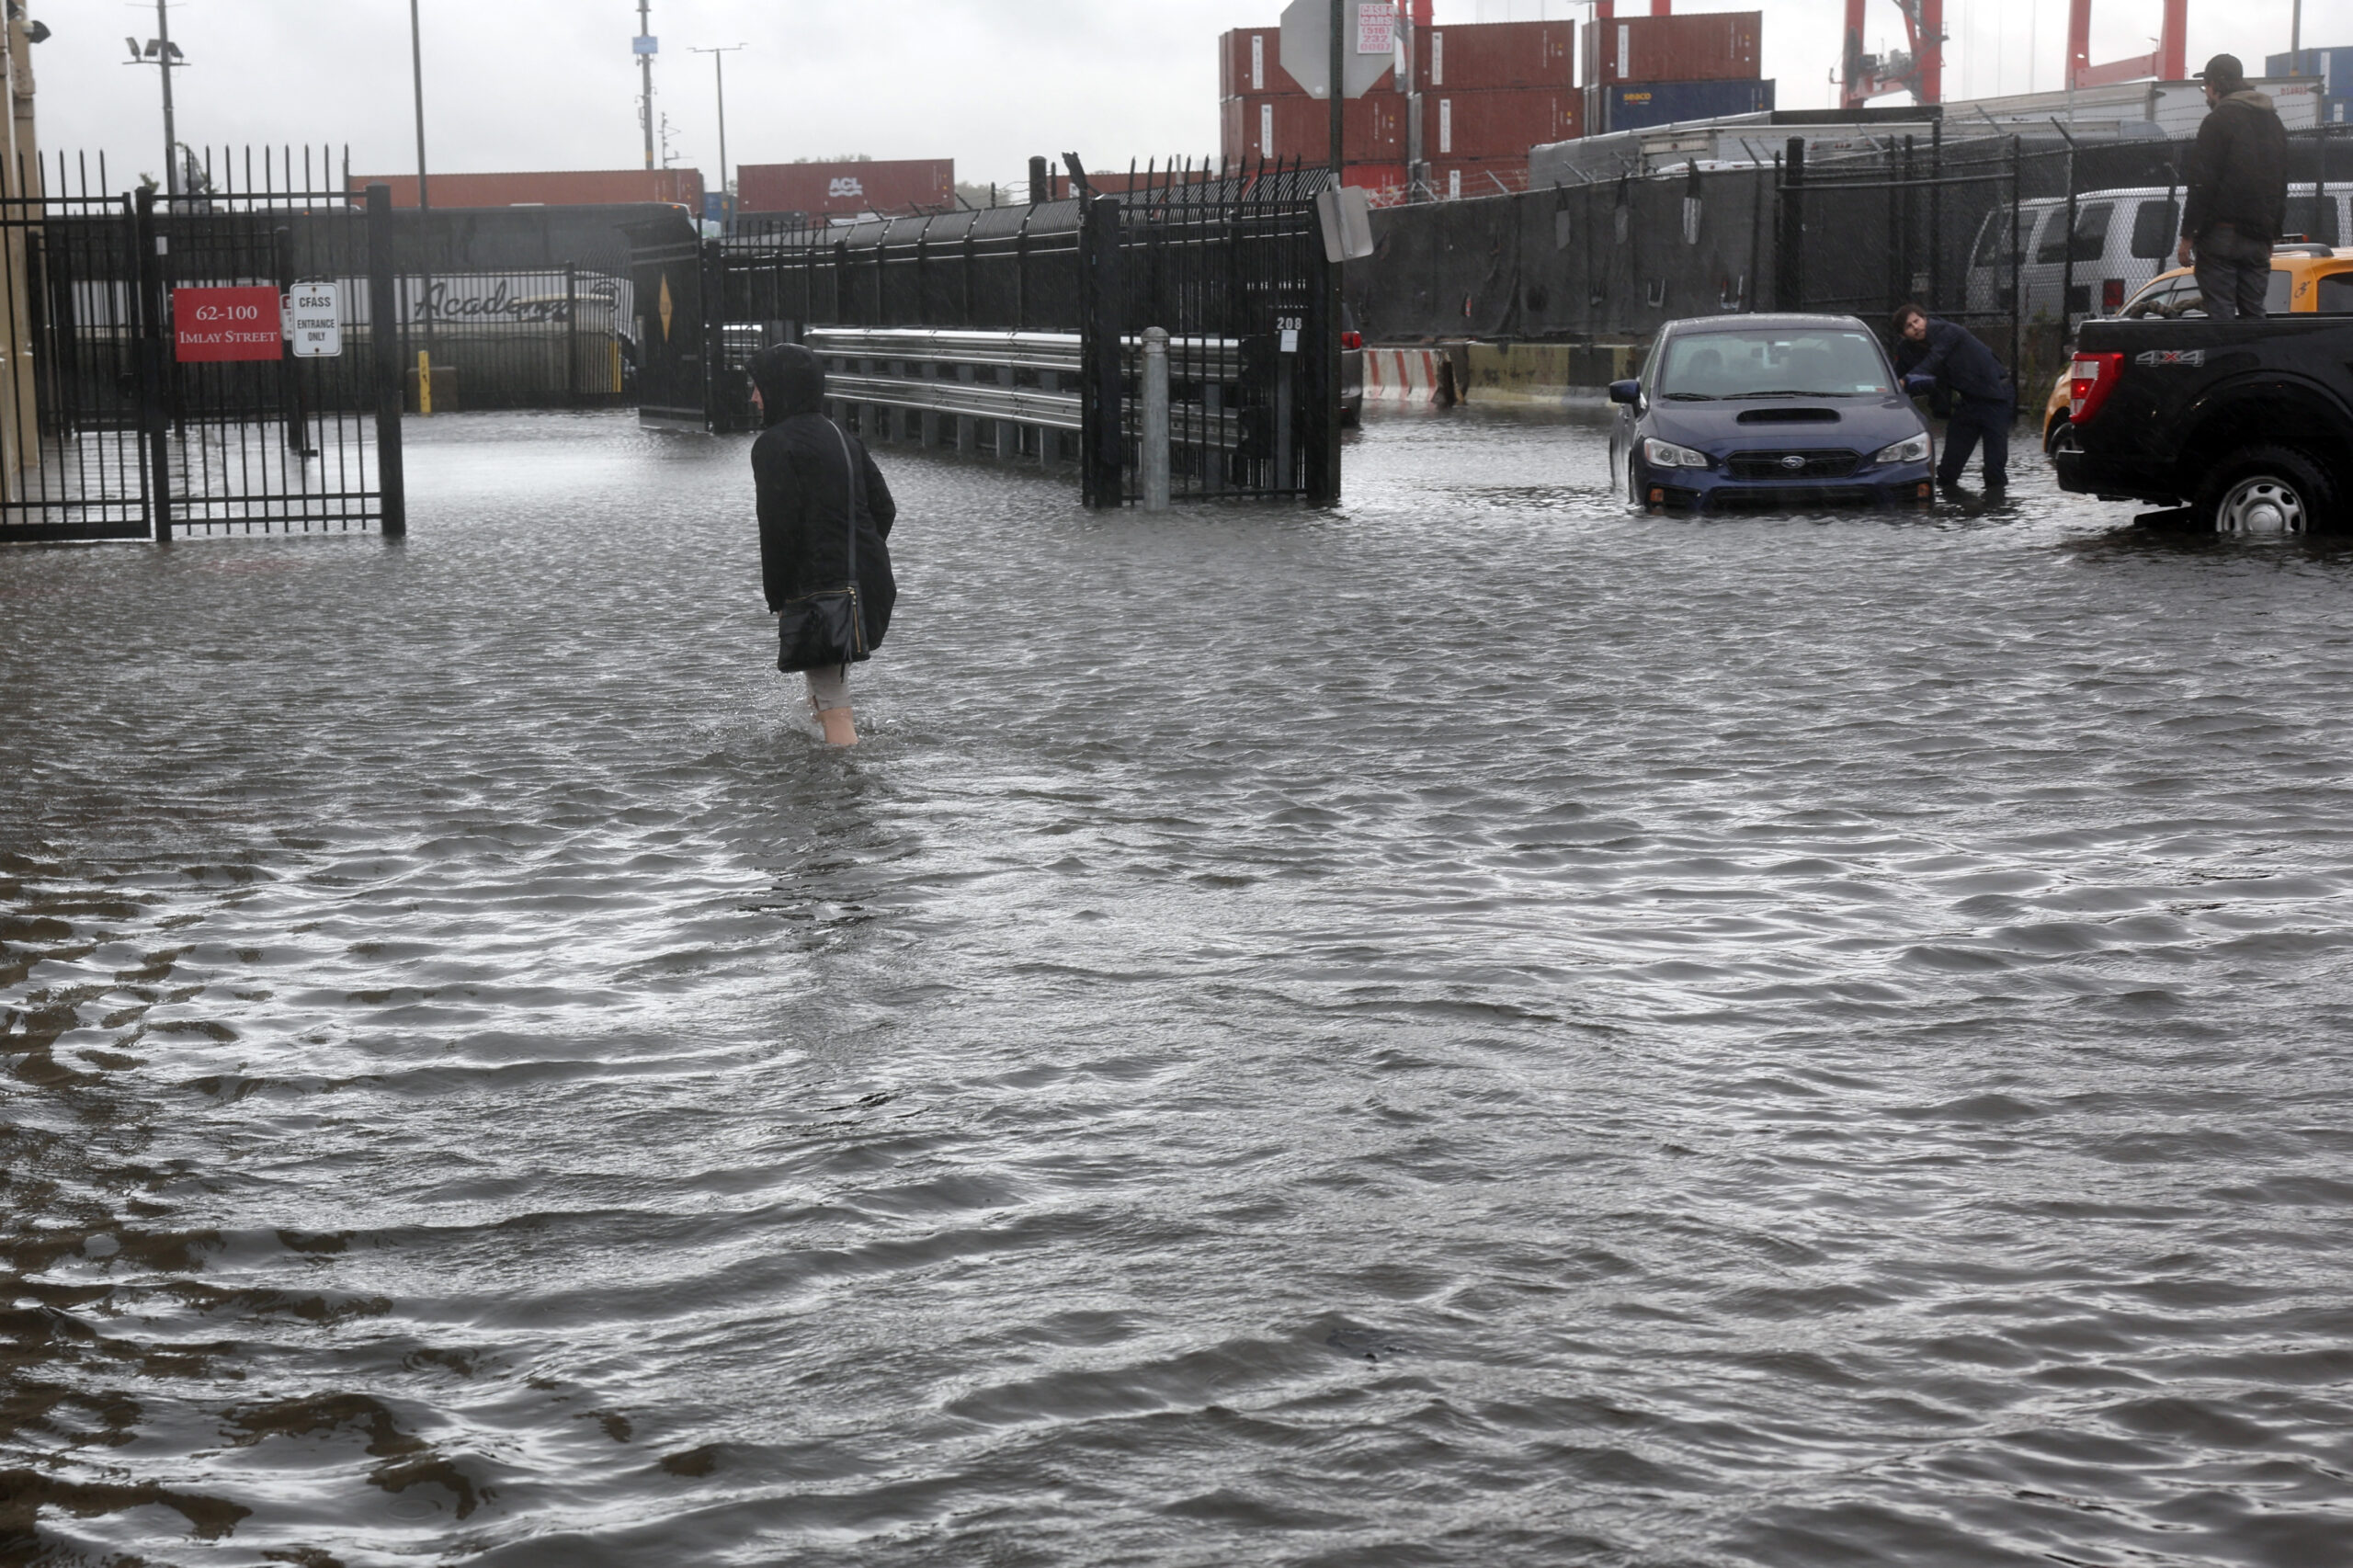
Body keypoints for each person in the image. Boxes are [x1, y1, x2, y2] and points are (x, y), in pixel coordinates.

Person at [747, 344, 896, 747]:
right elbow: (884, 509)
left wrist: (778, 595)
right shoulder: (842, 436)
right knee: (827, 683)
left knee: (834, 702)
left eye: (758, 386)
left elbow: (778, 528)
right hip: (865, 584)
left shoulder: (774, 444)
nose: (753, 397)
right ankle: (822, 772)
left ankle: (846, 791)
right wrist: (855, 559)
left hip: (822, 592)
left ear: (779, 387)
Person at [2175, 53, 2288, 322]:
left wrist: (2188, 235)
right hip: (2259, 237)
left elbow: (2203, 183)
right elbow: (2281, 181)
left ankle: (2227, 362)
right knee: (2254, 315)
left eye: (2206, 87)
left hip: (2221, 236)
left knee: (2221, 315)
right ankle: (2256, 360)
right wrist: (2272, 233)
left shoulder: (2218, 121)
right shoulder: (2274, 123)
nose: (2207, 94)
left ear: (2215, 84)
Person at [1891, 302, 2014, 495]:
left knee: (1994, 470)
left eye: (1917, 321)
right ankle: (1948, 513)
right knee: (1947, 472)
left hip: (1996, 397)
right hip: (1968, 403)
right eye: (1909, 326)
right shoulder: (1907, 349)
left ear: (1925, 319)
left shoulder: (1947, 331)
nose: (1916, 327)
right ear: (1903, 334)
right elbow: (1895, 377)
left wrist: (1905, 381)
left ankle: (1996, 512)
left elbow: (1934, 359)